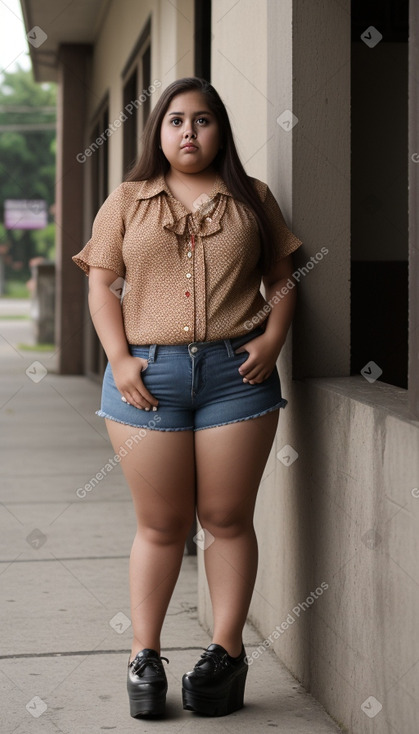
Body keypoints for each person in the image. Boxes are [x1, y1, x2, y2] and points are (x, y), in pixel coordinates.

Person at [72, 76, 302, 719]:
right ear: (159, 132)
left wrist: (273, 338)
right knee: (162, 524)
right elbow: (101, 285)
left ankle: (225, 657)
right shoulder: (126, 200)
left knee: (226, 519)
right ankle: (144, 659)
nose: (189, 132)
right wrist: (119, 359)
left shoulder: (253, 198)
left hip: (237, 375)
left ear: (220, 130)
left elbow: (283, 278)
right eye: (176, 121)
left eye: (202, 120)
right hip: (147, 380)